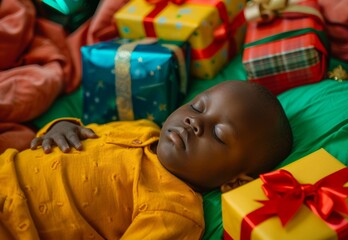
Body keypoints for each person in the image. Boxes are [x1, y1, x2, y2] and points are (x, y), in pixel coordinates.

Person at [0, 80, 293, 239]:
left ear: (235, 181)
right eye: (197, 106)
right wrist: (60, 127)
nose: (194, 122)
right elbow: (83, 131)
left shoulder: (175, 211)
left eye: (218, 134)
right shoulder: (142, 128)